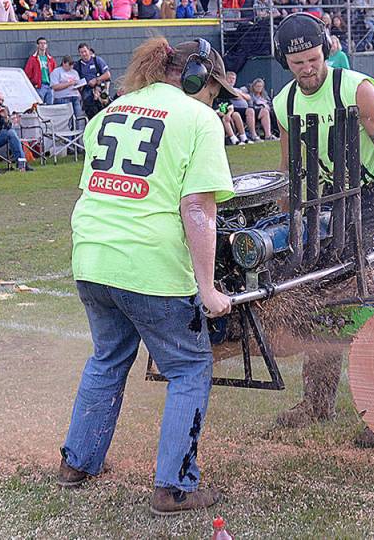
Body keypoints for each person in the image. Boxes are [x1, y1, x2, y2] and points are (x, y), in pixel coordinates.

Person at [59, 37, 237, 517]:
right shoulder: (198, 118)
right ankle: (175, 486)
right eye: (213, 91)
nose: (213, 100)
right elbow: (197, 208)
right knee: (188, 367)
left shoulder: (111, 111)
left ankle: (78, 463)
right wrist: (206, 288)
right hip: (149, 265)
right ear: (197, 78)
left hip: (93, 258)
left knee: (107, 358)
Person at [270, 13, 374, 447]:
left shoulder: (357, 89)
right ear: (286, 64)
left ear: (325, 52)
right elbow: (288, 168)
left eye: (313, 60)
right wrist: (285, 220)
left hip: (372, 203)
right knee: (320, 301)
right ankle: (317, 402)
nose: (308, 69)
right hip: (325, 206)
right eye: (298, 65)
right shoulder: (284, 103)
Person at [76, 43, 111, 119]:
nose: (84, 54)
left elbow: (107, 75)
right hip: (87, 93)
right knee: (91, 115)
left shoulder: (97, 60)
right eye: (81, 52)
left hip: (100, 90)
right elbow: (75, 80)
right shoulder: (78, 65)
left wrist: (96, 80)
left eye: (85, 51)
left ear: (89, 51)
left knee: (104, 113)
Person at [51, 54, 84, 119]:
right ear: (64, 63)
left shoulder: (74, 72)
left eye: (72, 66)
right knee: (67, 119)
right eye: (69, 66)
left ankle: (78, 128)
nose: (70, 68)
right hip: (63, 98)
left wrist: (79, 85)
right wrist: (69, 84)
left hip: (75, 97)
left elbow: (79, 84)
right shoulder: (56, 72)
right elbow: (55, 87)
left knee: (79, 117)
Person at [25, 37, 57, 104]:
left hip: (50, 86)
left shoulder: (50, 59)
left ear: (46, 45)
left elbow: (55, 73)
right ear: (37, 45)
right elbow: (28, 73)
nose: (43, 45)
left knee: (50, 107)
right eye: (41, 43)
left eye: (44, 43)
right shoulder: (32, 59)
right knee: (40, 106)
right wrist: (34, 84)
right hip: (39, 86)